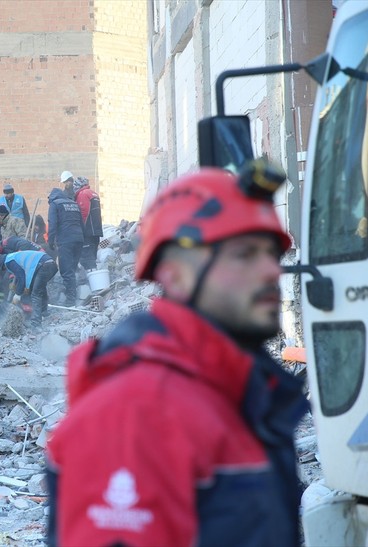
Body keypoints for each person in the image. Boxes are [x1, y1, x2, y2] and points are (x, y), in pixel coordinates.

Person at [46, 164, 307, 547]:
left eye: (271, 253)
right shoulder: (135, 416)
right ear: (176, 274)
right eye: (245, 254)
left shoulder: (237, 393)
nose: (271, 271)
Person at [47, 187, 84, 305]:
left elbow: (52, 224)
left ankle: (70, 300)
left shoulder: (55, 204)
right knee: (72, 268)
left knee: (66, 270)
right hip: (79, 239)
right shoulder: (74, 204)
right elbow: (81, 223)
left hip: (66, 240)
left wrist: (51, 241)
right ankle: (74, 292)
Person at [2, 250, 57, 327]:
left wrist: (18, 294)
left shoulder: (8, 262)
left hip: (43, 265)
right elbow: (21, 274)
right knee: (40, 287)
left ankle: (36, 324)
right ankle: (44, 312)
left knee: (35, 294)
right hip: (51, 264)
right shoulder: (14, 256)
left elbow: (22, 277)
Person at [73, 176, 103, 270]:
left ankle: (91, 280)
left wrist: (80, 230)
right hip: (96, 231)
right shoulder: (94, 194)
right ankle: (95, 276)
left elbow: (84, 212)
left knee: (87, 258)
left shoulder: (83, 194)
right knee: (92, 256)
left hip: (88, 231)